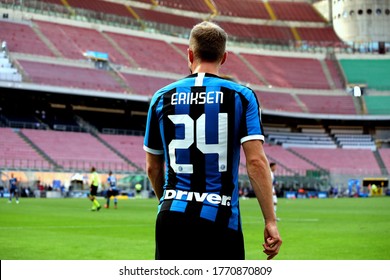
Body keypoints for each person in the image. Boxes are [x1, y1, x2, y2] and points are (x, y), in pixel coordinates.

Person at [143, 21, 282, 260]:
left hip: (171, 217)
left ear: (190, 54)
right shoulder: (242, 96)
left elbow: (152, 167)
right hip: (220, 218)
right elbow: (257, 162)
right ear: (224, 57)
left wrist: (169, 201)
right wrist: (270, 220)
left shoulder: (160, 98)